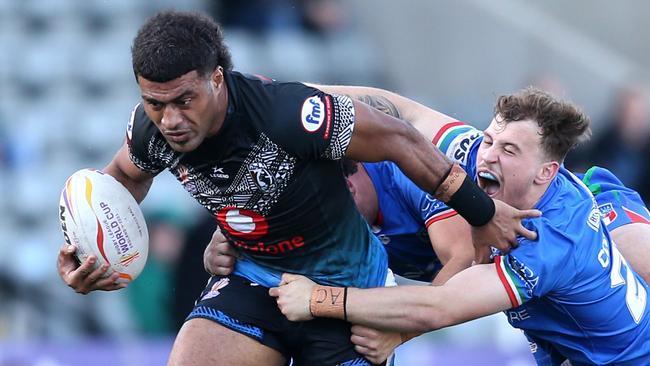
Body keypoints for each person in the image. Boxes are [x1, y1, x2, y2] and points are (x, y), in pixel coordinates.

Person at [54, 10, 540, 366]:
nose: (171, 121)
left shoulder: (289, 114)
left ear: (217, 80)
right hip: (254, 277)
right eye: (156, 104)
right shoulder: (152, 130)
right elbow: (121, 182)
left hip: (346, 294)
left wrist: (482, 212)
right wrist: (89, 247)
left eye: (185, 100)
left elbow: (399, 138)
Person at [270, 87, 650, 365]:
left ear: (546, 172)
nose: (489, 155)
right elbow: (402, 109)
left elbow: (441, 306)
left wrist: (317, 300)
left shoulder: (546, 241)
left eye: (509, 150)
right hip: (577, 333)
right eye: (490, 139)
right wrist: (277, 95)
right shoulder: (477, 156)